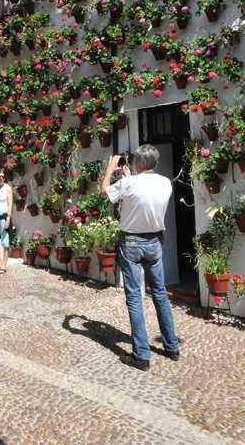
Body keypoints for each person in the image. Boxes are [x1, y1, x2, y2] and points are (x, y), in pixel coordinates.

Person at [101, 145, 180, 370]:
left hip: (132, 242)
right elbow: (142, 194)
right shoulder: (165, 183)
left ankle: (141, 355)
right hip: (155, 241)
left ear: (139, 162)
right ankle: (171, 346)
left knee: (135, 297)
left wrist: (109, 169)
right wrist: (129, 178)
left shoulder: (129, 184)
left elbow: (104, 192)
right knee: (160, 294)